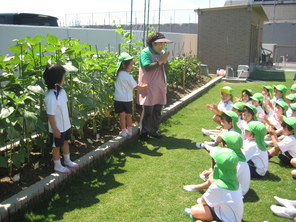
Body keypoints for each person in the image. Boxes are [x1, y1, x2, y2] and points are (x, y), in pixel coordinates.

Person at [184, 148, 244, 222]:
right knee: (196, 210)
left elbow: (203, 201)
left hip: (224, 219)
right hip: (224, 213)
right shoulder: (235, 181)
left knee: (195, 213)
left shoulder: (217, 187)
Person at [188, 131, 250, 196]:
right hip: (238, 188)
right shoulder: (238, 156)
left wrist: (211, 176)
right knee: (212, 173)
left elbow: (219, 180)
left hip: (236, 193)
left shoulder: (233, 163)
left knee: (212, 179)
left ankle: (197, 188)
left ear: (225, 145)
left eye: (221, 143)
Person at [137, 32, 172, 141]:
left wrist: (164, 61)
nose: (162, 46)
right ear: (153, 44)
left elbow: (167, 68)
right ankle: (144, 132)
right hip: (148, 87)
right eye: (160, 44)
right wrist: (160, 61)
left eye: (163, 44)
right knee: (148, 111)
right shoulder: (145, 53)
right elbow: (147, 67)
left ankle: (154, 130)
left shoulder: (161, 53)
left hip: (159, 86)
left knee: (157, 111)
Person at [43, 64, 78, 173]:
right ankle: (57, 165)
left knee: (65, 141)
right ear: (57, 80)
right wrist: (55, 129)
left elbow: (63, 106)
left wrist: (68, 118)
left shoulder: (62, 91)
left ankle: (67, 160)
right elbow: (50, 114)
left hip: (65, 124)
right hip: (57, 127)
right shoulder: (50, 97)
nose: (64, 79)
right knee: (56, 146)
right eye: (63, 77)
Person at [114, 52, 148, 137]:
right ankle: (129, 130)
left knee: (122, 115)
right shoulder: (128, 76)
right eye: (131, 65)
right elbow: (135, 86)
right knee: (128, 115)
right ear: (124, 66)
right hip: (127, 99)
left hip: (118, 98)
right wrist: (145, 86)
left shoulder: (117, 75)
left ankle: (123, 131)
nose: (132, 67)